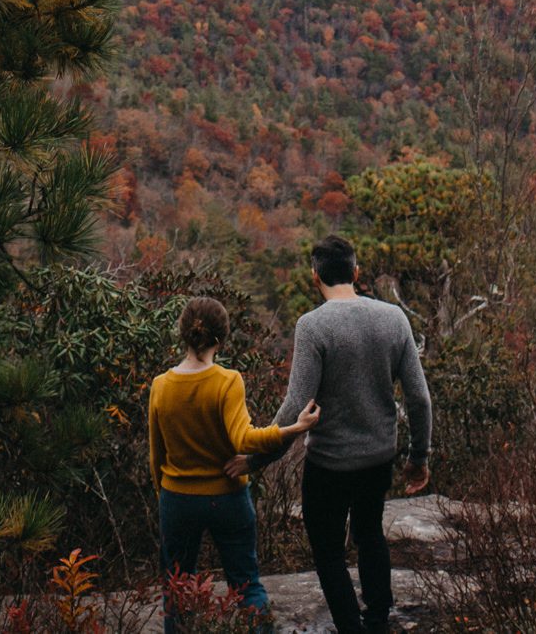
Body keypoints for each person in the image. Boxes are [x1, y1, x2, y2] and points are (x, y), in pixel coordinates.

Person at [240, 235, 432, 634]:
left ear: (315, 277)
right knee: (370, 534)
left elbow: (295, 406)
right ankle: (378, 620)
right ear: (356, 272)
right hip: (378, 458)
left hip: (329, 464)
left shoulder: (313, 326)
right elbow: (419, 398)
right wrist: (418, 457)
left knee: (328, 553)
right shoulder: (393, 318)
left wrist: (257, 458)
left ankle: (351, 627)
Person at [147, 295, 321, 632]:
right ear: (221, 337)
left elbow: (157, 455)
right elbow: (243, 439)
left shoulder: (161, 385)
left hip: (177, 498)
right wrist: (294, 429)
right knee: (246, 586)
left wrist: (164, 495)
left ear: (183, 334)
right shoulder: (227, 381)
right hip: (227, 497)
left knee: (177, 590)